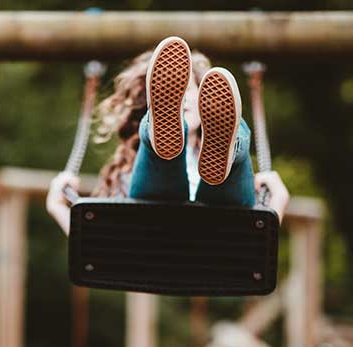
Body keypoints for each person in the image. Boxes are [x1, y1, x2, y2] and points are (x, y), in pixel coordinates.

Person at [47, 37, 289, 234]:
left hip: (213, 227)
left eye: (187, 90)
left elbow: (97, 251)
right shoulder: (125, 173)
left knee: (228, 174)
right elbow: (257, 248)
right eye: (173, 93)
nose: (182, 97)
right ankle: (159, 138)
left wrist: (59, 206)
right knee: (157, 165)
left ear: (207, 98)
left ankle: (228, 148)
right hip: (187, 234)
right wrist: (277, 201)